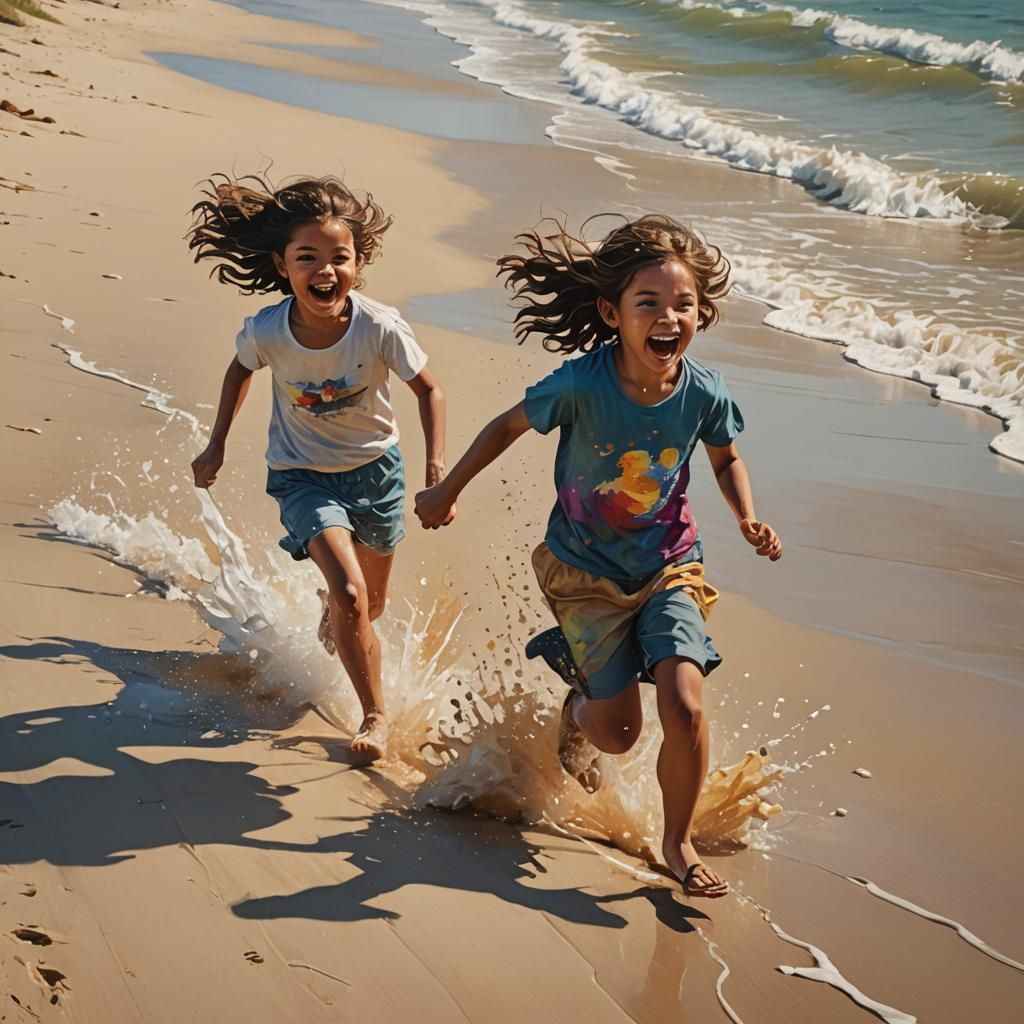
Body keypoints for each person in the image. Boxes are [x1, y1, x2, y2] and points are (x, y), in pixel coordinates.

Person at [414, 214, 781, 897]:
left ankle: (676, 844)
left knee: (685, 702)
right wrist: (448, 489)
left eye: (684, 305)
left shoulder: (704, 392)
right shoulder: (583, 384)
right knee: (617, 735)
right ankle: (578, 713)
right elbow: (506, 426)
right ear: (613, 313)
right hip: (583, 575)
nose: (668, 317)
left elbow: (727, 459)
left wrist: (748, 517)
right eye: (650, 303)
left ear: (702, 313)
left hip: (670, 565)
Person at [188, 173, 449, 761]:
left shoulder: (379, 327)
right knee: (353, 595)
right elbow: (238, 371)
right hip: (301, 474)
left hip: (376, 471)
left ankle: (333, 611)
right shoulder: (268, 330)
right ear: (283, 265)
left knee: (366, 605)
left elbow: (429, 390)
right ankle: (375, 715)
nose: (325, 270)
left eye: (340, 258)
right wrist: (217, 444)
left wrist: (436, 468)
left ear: (358, 264)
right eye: (308, 258)